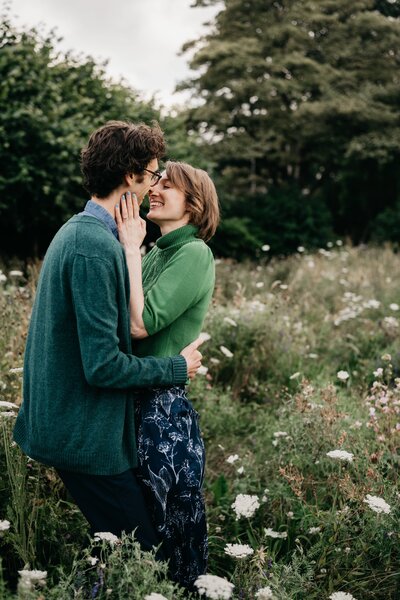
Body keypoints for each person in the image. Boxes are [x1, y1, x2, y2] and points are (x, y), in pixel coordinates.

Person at [13, 121, 204, 556]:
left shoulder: (88, 233)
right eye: (154, 174)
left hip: (75, 428)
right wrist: (178, 367)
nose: (155, 184)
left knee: (114, 550)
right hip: (83, 436)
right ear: (131, 176)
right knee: (143, 558)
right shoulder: (91, 246)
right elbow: (103, 364)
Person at [115, 160, 220, 590]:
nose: (154, 191)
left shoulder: (194, 253)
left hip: (161, 409)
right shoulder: (157, 249)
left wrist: (128, 248)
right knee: (136, 526)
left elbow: (141, 325)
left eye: (167, 187)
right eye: (155, 183)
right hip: (134, 395)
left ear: (193, 205)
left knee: (166, 530)